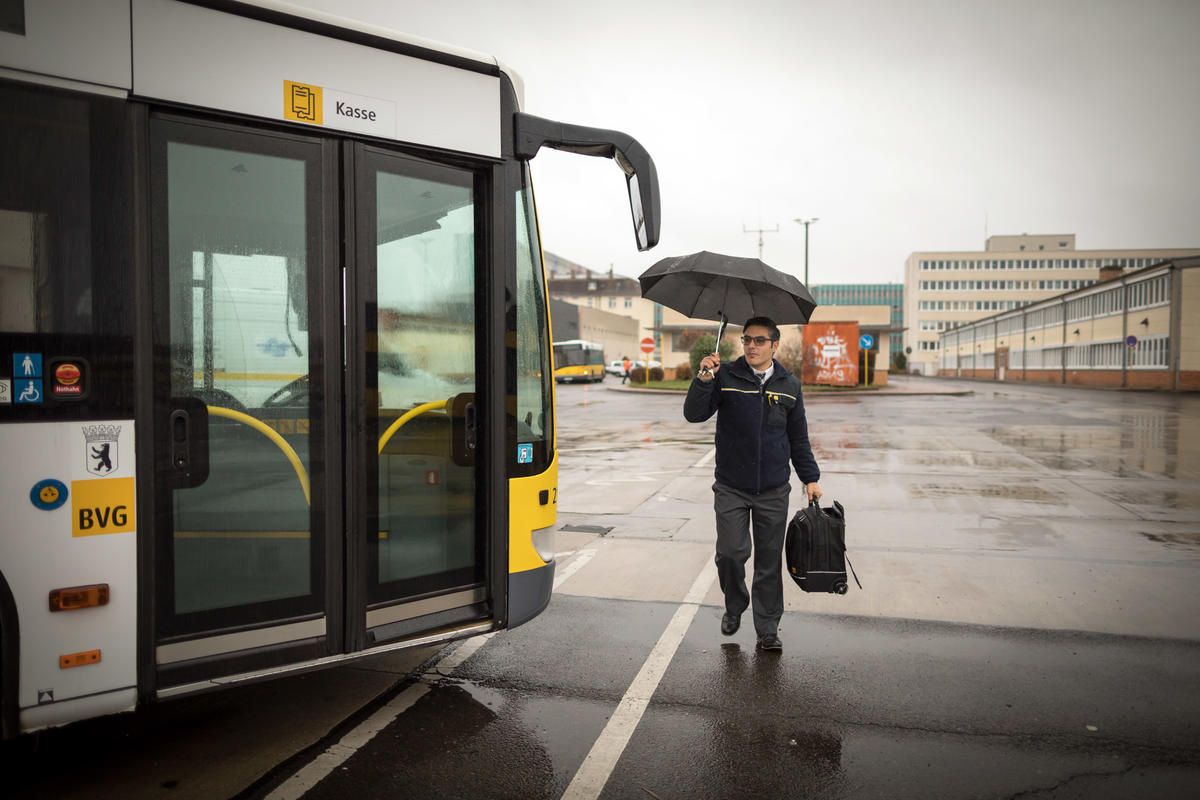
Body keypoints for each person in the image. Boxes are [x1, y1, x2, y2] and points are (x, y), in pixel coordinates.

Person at [683, 316, 821, 652]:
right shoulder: (725, 376)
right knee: (731, 554)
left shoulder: (789, 385)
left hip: (773, 489)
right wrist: (704, 378)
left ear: (775, 345)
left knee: (769, 561)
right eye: (747, 340)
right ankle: (734, 604)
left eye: (760, 341)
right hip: (731, 485)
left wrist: (811, 478)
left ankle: (768, 628)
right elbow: (694, 414)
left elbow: (798, 438)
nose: (752, 346)